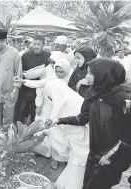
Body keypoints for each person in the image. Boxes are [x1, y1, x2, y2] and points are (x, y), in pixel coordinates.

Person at [46, 58, 131, 189]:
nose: (86, 76)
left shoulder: (123, 101)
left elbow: (128, 136)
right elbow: (82, 118)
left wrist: (111, 156)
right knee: (87, 185)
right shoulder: (93, 93)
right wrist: (58, 120)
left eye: (90, 73)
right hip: (94, 152)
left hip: (112, 156)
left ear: (103, 75)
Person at [33, 79, 89, 189]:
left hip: (80, 142)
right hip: (84, 139)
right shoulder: (72, 98)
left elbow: (67, 127)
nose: (51, 99)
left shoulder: (68, 103)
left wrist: (47, 133)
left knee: (76, 169)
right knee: (74, 168)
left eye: (50, 96)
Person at [14, 35, 50, 125]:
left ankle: (34, 132)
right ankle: (18, 132)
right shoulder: (25, 56)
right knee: (21, 112)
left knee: (37, 114)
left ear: (43, 45)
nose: (36, 46)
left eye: (38, 44)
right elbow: (20, 71)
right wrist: (24, 72)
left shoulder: (49, 57)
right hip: (25, 89)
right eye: (34, 44)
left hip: (41, 90)